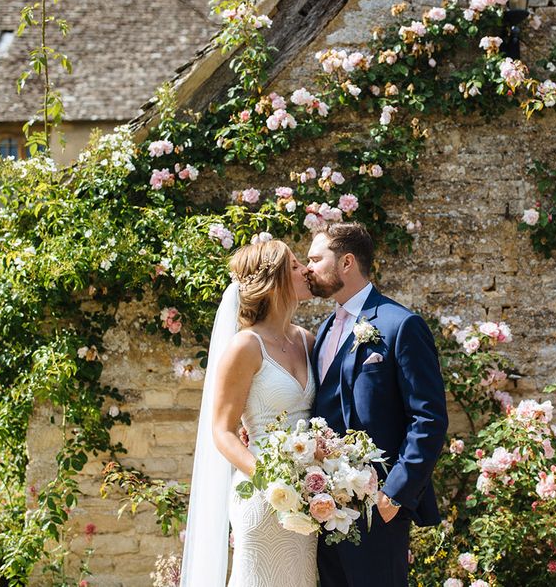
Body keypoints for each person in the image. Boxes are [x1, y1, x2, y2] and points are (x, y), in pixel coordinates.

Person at [307, 222, 448, 587]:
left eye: (316, 258)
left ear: (346, 262)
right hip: (325, 511)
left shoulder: (401, 325)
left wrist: (394, 494)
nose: (308, 268)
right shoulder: (322, 331)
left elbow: (428, 418)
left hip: (378, 510)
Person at [180, 239, 317, 587]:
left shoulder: (308, 341)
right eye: (295, 265)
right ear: (275, 281)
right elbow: (223, 431)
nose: (306, 270)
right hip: (263, 494)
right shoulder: (245, 346)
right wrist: (272, 478)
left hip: (310, 499)